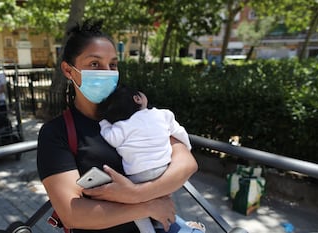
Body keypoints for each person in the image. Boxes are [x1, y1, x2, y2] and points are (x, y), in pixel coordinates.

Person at [37, 19, 200, 233]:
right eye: (95, 64)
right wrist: (147, 205)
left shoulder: (135, 110)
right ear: (68, 70)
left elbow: (186, 164)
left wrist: (135, 194)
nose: (106, 72)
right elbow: (71, 214)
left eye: (112, 65)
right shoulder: (55, 134)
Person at [98, 86, 203, 233]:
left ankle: (148, 230)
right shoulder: (163, 114)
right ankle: (168, 224)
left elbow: (111, 138)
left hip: (137, 175)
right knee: (160, 197)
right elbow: (180, 132)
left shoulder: (122, 126)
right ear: (137, 98)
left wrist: (104, 123)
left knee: (133, 206)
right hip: (164, 169)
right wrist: (187, 146)